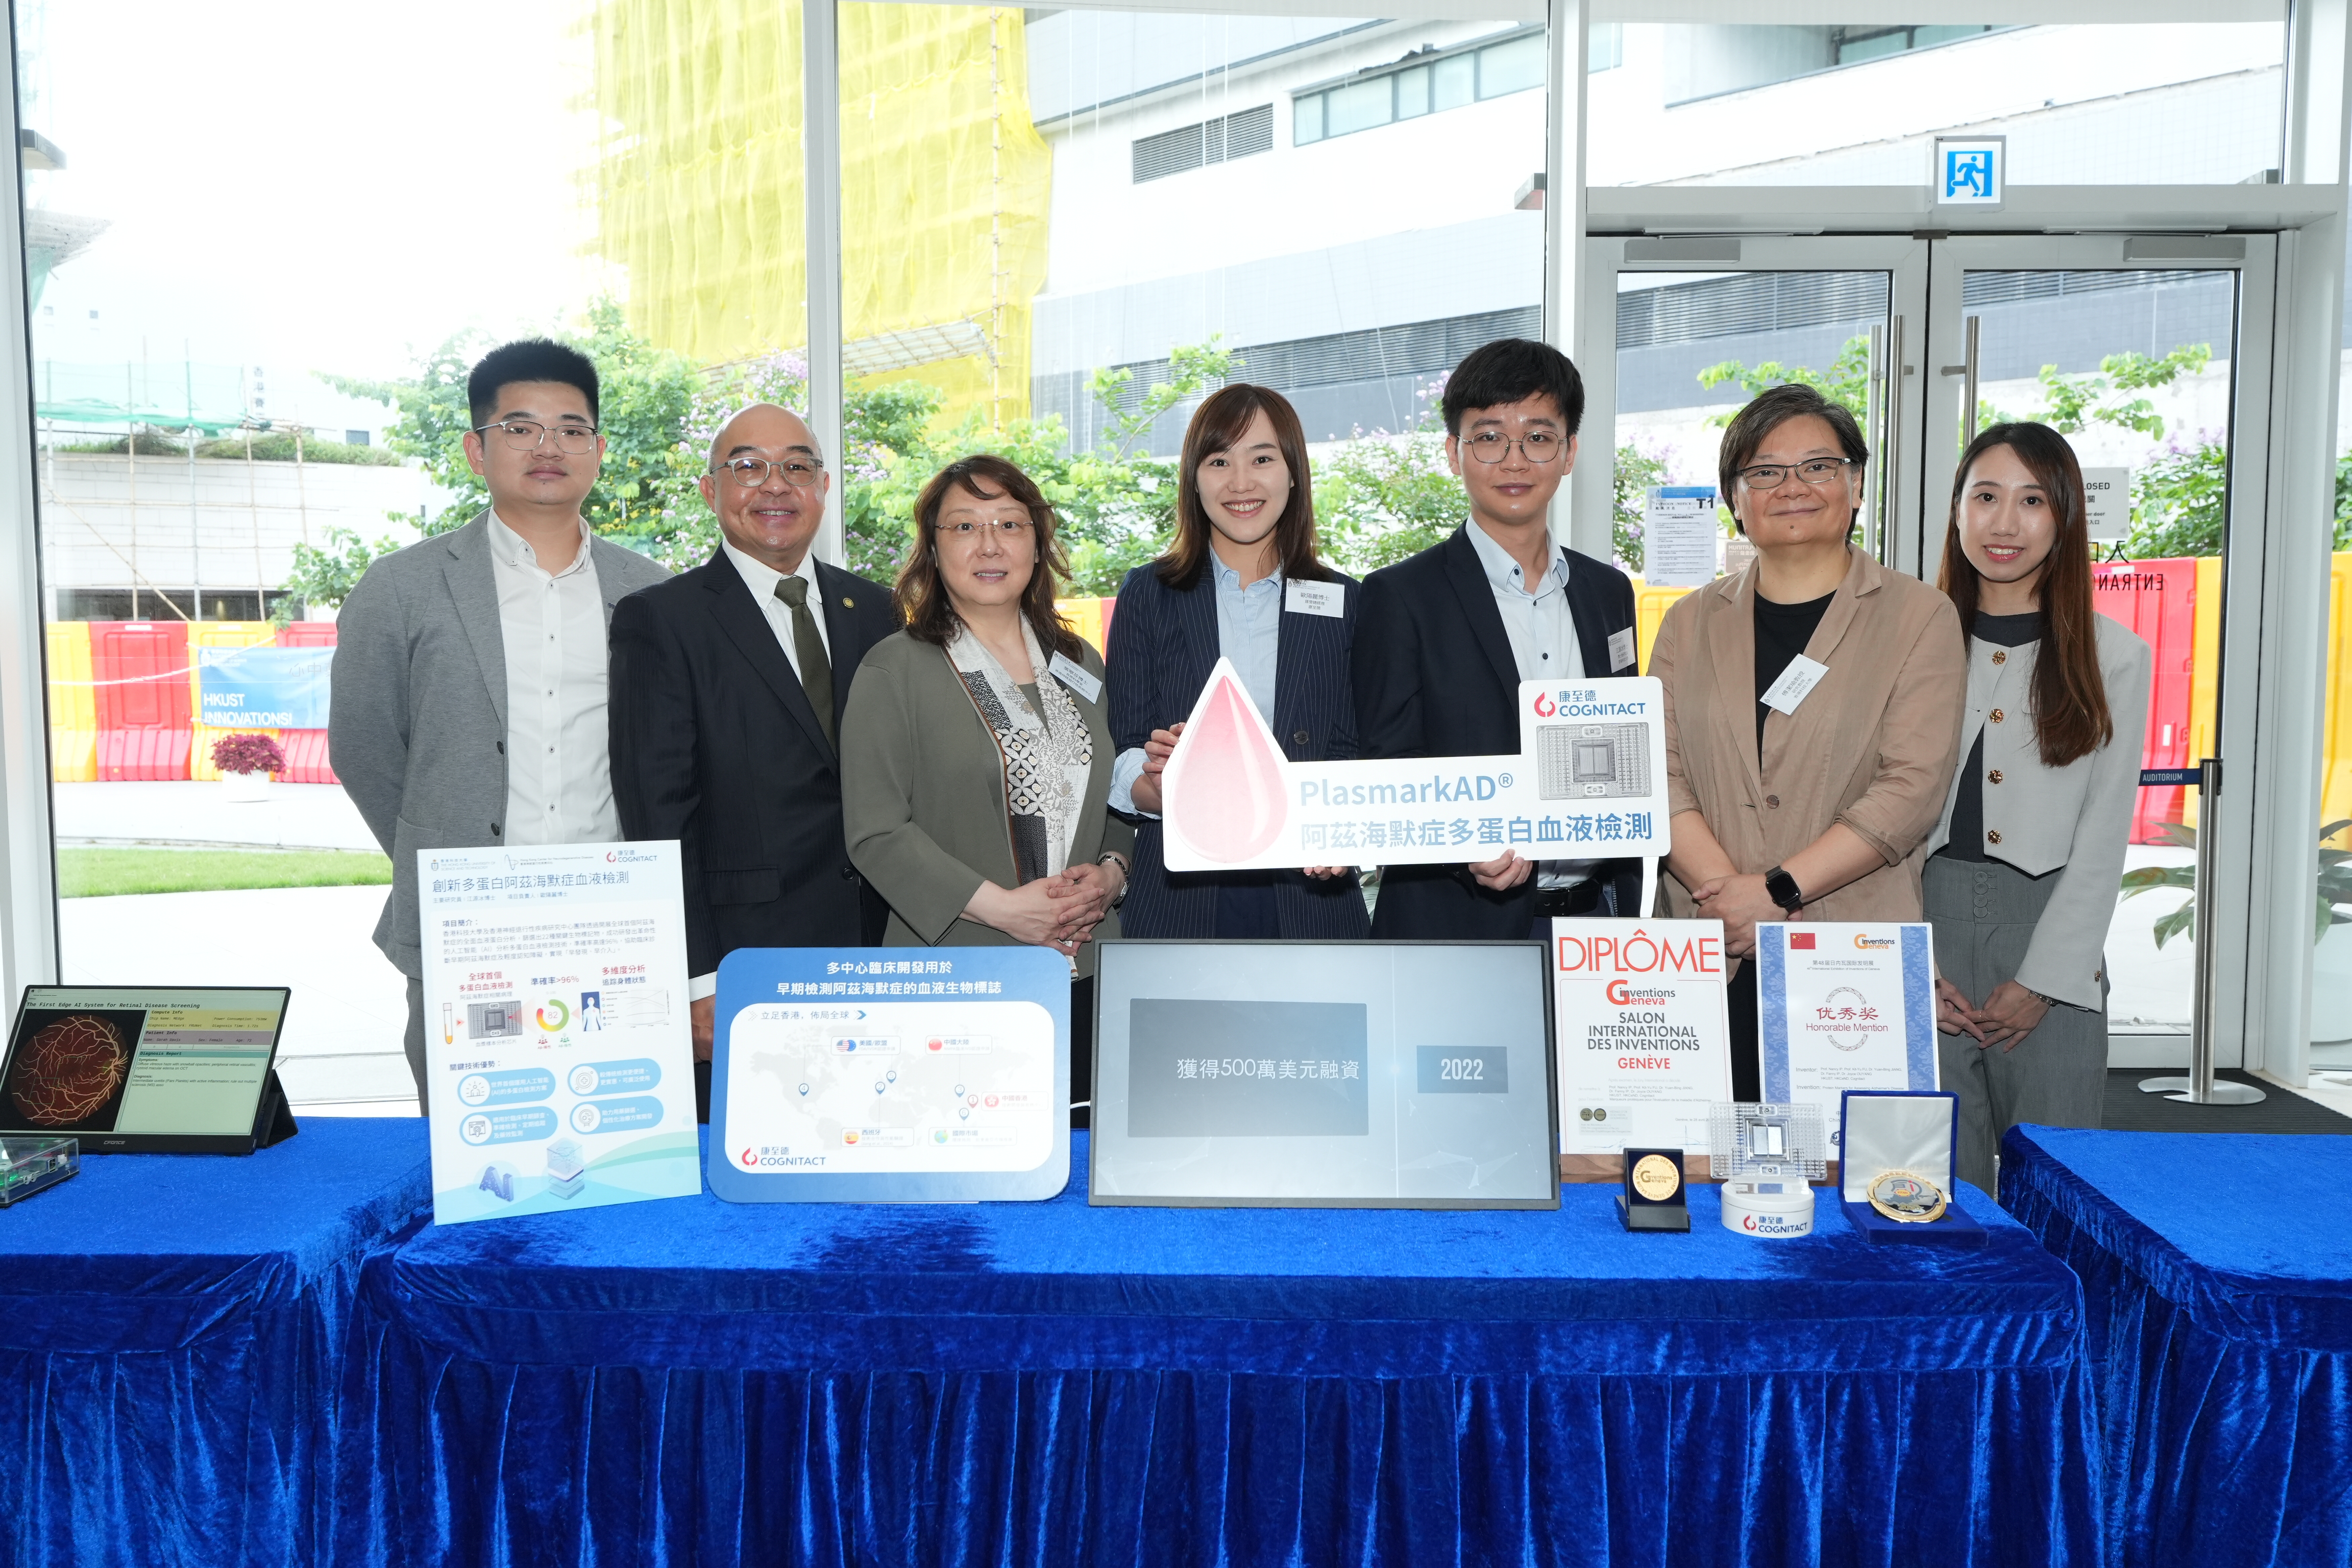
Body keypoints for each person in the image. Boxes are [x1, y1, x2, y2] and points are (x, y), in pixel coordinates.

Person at [333, 339, 672, 1101]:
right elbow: (364, 746)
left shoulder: (652, 594)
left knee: (620, 1133)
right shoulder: (402, 588)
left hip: (614, 920)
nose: (548, 447)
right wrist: (441, 848)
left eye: (571, 429)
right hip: (469, 921)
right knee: (472, 1150)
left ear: (598, 448)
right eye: (520, 428)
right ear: (475, 450)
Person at [1652, 382, 1966, 1099]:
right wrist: (1730, 903)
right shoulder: (1689, 623)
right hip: (1709, 944)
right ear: (1736, 497)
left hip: (1847, 954)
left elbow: (1911, 788)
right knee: (1698, 1171)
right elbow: (1659, 773)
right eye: (1764, 472)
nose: (1791, 487)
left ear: (1855, 485)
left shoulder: (1920, 616)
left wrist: (1777, 891)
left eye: (1817, 468)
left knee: (1847, 1182)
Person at [608, 403, 900, 1119]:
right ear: (712, 491)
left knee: (873, 1141)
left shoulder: (880, 609)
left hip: (882, 945)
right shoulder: (662, 620)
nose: (776, 486)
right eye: (748, 467)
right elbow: (657, 814)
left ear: (825, 489)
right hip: (748, 959)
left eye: (798, 467)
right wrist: (698, 979)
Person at [841, 455, 1131, 1126]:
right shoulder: (896, 668)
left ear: (1037, 541)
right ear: (934, 550)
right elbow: (876, 833)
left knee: (1083, 1174)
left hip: (1087, 966)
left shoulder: (1080, 661)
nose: (991, 543)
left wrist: (1113, 875)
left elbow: (1112, 791)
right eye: (965, 526)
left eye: (1009, 523)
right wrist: (1007, 910)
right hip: (956, 973)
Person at [1352, 336, 1643, 939]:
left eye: (1538, 437)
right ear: (1454, 453)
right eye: (1488, 438)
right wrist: (1465, 847)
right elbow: (1387, 762)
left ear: (1569, 453)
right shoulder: (1400, 596)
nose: (1515, 461)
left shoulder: (1608, 592)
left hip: (1598, 926)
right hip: (1456, 927)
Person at [1928, 423, 2150, 1193]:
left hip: (2052, 934)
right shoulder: (1913, 640)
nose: (2005, 523)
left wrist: (2047, 980)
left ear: (2063, 517)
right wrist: (1909, 963)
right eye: (1985, 497)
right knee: (1929, 1185)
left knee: (2059, 1185)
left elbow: (2104, 837)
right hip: (1925, 929)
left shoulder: (2113, 654)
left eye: (2031, 501)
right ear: (1956, 512)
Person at [1106, 383, 1368, 939]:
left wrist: (1344, 826)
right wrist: (1154, 787)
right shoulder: (1148, 594)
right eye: (1219, 460)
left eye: (1263, 459)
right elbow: (1124, 744)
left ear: (1293, 472)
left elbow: (1360, 751)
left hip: (1310, 893)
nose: (1241, 482)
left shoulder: (1346, 601)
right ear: (1194, 478)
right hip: (1182, 895)